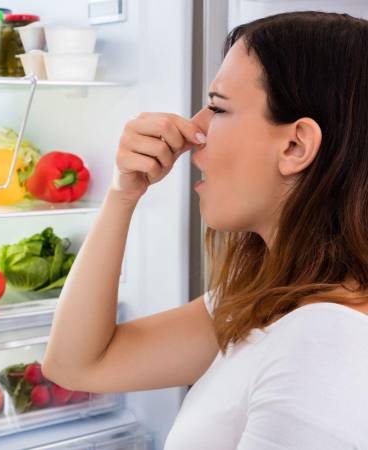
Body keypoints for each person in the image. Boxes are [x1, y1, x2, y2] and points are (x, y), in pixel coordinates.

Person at [42, 11, 368, 450]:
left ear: (295, 146)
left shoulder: (324, 341)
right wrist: (123, 195)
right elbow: (78, 364)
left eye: (218, 107)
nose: (194, 132)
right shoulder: (271, 301)